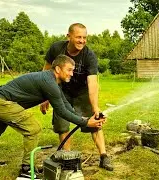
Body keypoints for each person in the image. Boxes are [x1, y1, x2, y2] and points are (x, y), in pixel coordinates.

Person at [0, 55, 104, 179]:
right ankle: (26, 170)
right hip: (0, 103)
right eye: (69, 70)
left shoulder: (52, 81)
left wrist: (84, 119)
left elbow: (65, 104)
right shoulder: (49, 82)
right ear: (58, 69)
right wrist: (86, 123)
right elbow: (61, 111)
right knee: (33, 129)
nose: (72, 74)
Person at [40, 23, 113, 171]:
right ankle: (68, 158)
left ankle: (104, 156)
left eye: (85, 37)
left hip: (82, 92)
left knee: (94, 123)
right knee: (62, 126)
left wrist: (95, 108)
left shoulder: (89, 56)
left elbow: (92, 82)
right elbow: (46, 71)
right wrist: (44, 96)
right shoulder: (56, 48)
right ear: (69, 36)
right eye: (78, 37)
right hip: (61, 92)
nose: (82, 40)